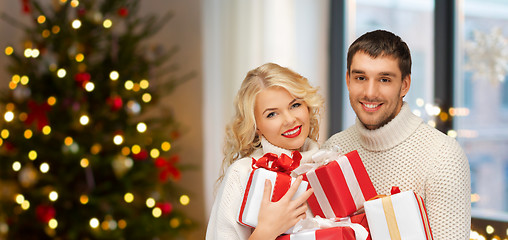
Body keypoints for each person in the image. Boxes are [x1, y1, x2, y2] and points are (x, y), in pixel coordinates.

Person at [323, 29, 471, 239]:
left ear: (405, 85)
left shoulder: (443, 156)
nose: (370, 92)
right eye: (361, 77)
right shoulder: (332, 150)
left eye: (384, 79)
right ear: (348, 80)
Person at [206, 63, 325, 240]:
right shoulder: (242, 174)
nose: (290, 119)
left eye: (295, 105)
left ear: (307, 106)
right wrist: (266, 231)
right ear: (256, 127)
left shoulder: (327, 165)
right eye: (272, 114)